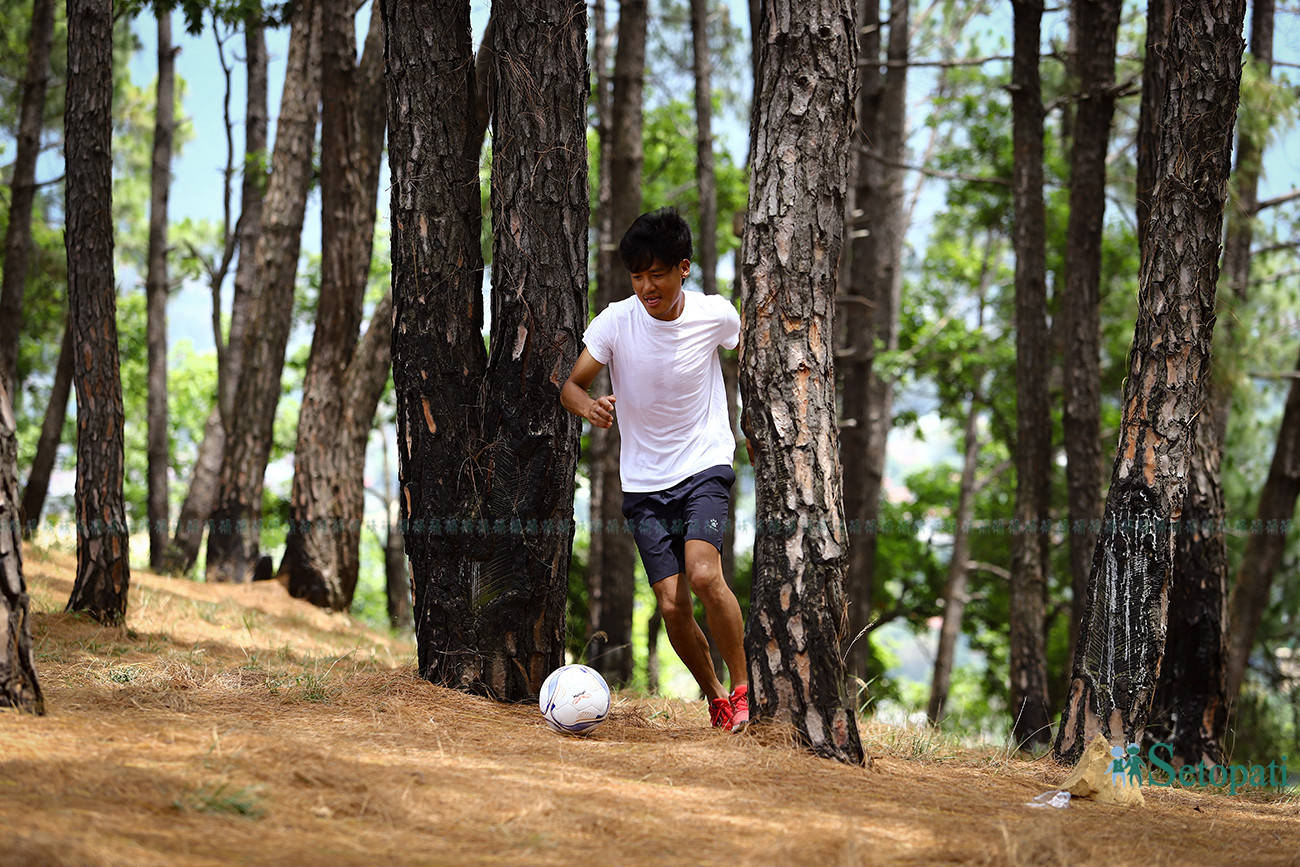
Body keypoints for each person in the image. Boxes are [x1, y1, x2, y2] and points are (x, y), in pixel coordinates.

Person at [561, 207, 750, 732]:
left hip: (704, 463)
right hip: (644, 482)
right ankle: (716, 698)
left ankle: (743, 688)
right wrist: (589, 407)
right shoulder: (615, 322)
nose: (647, 287)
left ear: (683, 268)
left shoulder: (715, 314)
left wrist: (755, 425)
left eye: (658, 274)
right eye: (638, 276)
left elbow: (754, 356)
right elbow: (572, 385)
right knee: (670, 604)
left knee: (704, 574)